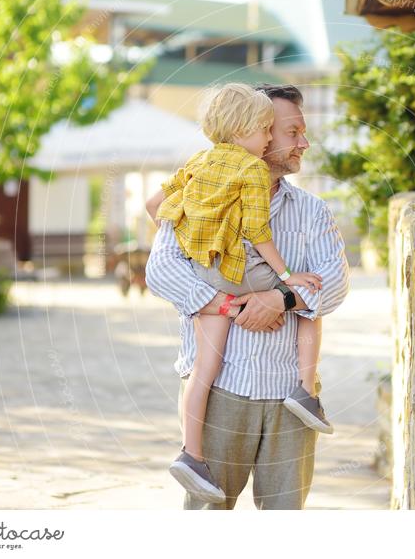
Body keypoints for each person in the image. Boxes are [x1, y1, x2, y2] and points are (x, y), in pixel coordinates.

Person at [145, 83, 350, 509]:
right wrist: (226, 305)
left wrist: (282, 300)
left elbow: (334, 282)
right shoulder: (196, 196)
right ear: (255, 131)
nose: (304, 143)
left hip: (289, 399)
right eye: (292, 133)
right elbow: (161, 269)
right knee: (207, 519)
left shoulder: (312, 210)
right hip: (222, 390)